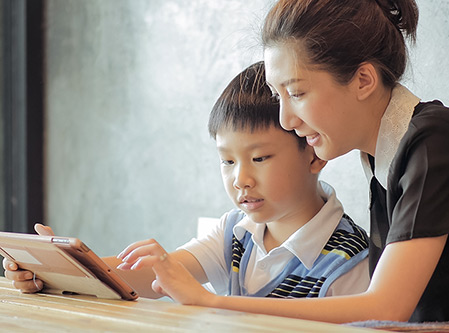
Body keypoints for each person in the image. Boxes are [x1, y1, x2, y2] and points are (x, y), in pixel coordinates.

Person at [98, 0, 449, 329]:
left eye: (297, 93)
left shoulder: (433, 142)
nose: (287, 119)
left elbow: (385, 307)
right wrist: (53, 271)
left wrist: (212, 302)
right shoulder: (383, 156)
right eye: (279, 96)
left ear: (363, 80)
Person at [3, 61, 370, 300]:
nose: (240, 179)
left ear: (313, 152)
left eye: (259, 158)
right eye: (227, 161)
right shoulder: (235, 231)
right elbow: (153, 278)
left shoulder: (348, 261)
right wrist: (59, 273)